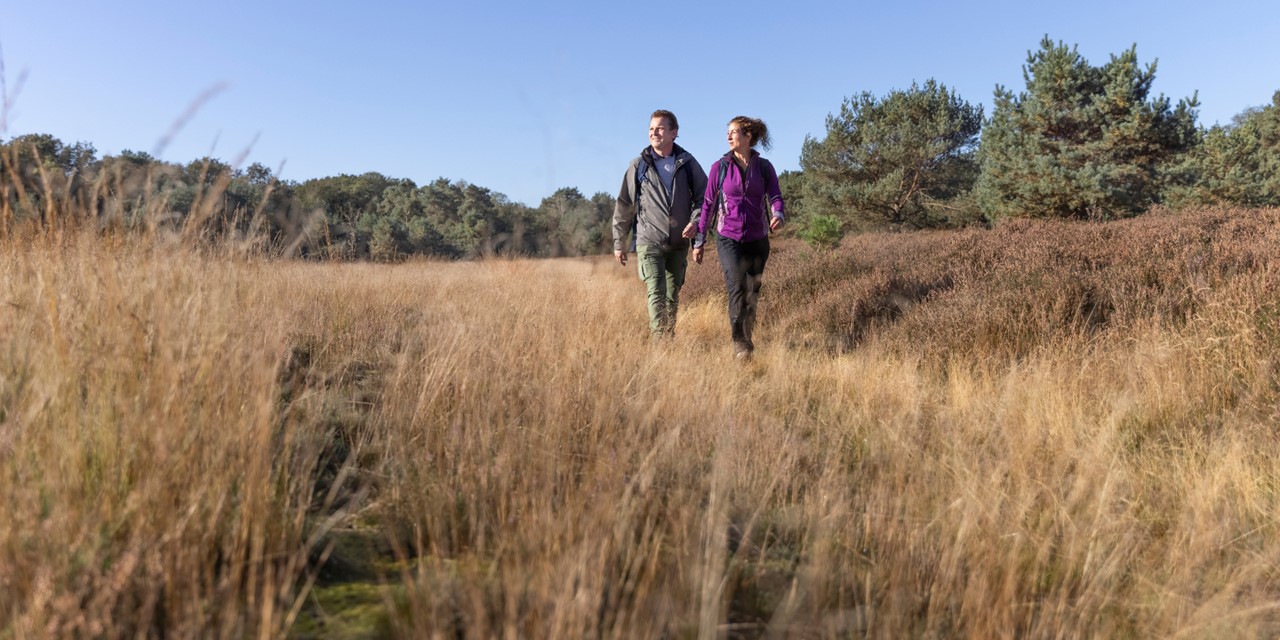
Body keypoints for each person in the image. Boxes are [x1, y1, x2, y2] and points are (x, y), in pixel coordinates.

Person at [682, 116, 785, 358]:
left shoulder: (764, 167)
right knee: (737, 286)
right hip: (728, 237)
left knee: (752, 292)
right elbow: (708, 205)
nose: (728, 136)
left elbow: (776, 196)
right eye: (727, 132)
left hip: (758, 239)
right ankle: (741, 345)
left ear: (748, 136)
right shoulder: (720, 167)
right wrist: (699, 241)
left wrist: (778, 214)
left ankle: (747, 337)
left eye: (734, 132)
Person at [614, 110, 708, 339]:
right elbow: (625, 204)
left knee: (672, 295)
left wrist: (695, 222)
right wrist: (619, 242)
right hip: (649, 240)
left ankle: (668, 337)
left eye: (660, 128)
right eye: (651, 129)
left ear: (674, 133)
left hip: (678, 242)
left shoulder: (687, 163)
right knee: (656, 290)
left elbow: (705, 198)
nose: (654, 133)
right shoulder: (639, 165)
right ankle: (660, 342)